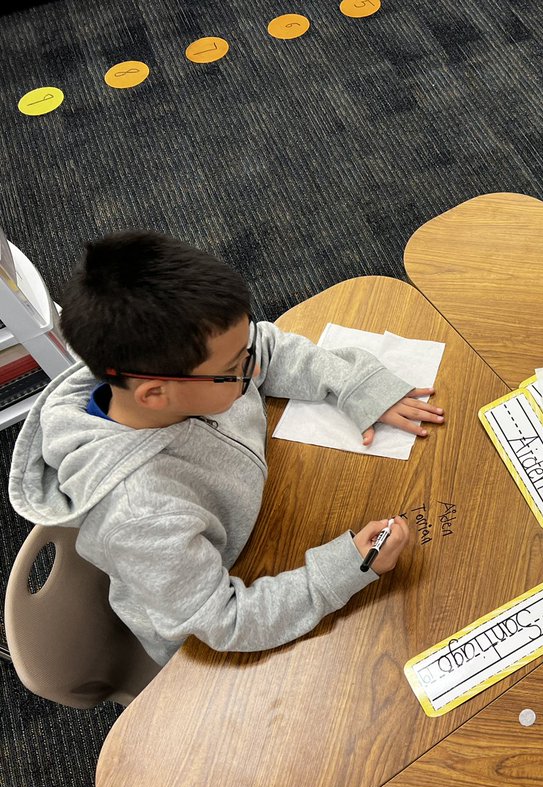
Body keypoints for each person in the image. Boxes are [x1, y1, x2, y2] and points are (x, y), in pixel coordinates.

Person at [8, 231, 445, 666]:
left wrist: (354, 383)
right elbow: (225, 621)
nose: (250, 366)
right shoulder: (142, 515)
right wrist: (346, 568)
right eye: (234, 370)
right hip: (220, 625)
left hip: (264, 519)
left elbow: (265, 350)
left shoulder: (182, 369)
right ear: (155, 395)